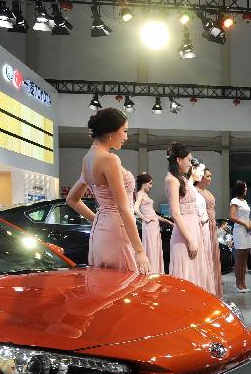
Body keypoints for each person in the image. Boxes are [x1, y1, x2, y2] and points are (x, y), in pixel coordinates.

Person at [66, 109, 150, 274]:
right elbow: (123, 207)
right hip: (117, 230)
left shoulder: (88, 158)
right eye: (124, 131)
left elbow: (71, 199)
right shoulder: (109, 159)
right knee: (124, 285)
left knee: (106, 285)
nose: (126, 136)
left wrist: (98, 218)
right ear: (111, 132)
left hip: (101, 230)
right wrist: (139, 251)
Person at [164, 142, 200, 286]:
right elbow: (175, 213)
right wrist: (190, 239)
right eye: (189, 160)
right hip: (184, 234)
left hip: (192, 230)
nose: (191, 164)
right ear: (178, 160)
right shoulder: (171, 180)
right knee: (184, 279)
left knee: (193, 276)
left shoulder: (182, 179)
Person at [133, 172, 170, 275]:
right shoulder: (140, 194)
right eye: (150, 183)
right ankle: (152, 272)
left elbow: (153, 214)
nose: (151, 186)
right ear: (144, 183)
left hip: (154, 225)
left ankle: (156, 272)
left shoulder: (145, 195)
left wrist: (166, 220)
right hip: (149, 226)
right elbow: (135, 209)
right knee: (151, 248)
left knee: (155, 248)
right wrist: (145, 219)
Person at [195, 166, 223, 298]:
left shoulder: (208, 192)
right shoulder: (195, 191)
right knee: (206, 255)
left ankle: (215, 289)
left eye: (210, 176)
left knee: (213, 256)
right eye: (208, 176)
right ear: (201, 177)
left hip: (212, 225)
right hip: (204, 225)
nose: (210, 178)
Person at [190, 160, 214, 293]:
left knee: (207, 257)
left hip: (207, 224)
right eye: (205, 174)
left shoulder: (194, 189)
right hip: (199, 225)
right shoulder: (192, 189)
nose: (209, 178)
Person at [230, 180, 251, 293]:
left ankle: (243, 282)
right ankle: (238, 283)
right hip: (239, 231)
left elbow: (246, 216)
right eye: (244, 188)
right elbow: (232, 217)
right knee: (239, 259)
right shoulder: (234, 200)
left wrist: (250, 224)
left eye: (246, 187)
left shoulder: (245, 201)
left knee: (245, 258)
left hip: (247, 231)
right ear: (239, 188)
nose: (246, 189)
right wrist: (245, 224)